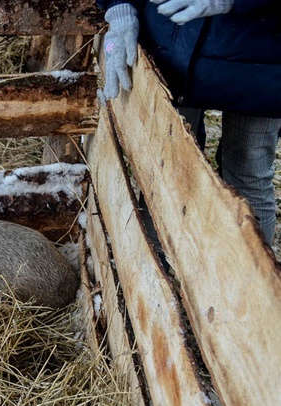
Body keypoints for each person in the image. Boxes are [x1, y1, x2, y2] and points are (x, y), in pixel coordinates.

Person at [98, 0, 281, 246]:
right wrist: (119, 9)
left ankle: (253, 280)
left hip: (261, 53)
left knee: (248, 171)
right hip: (171, 47)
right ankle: (158, 273)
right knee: (167, 169)